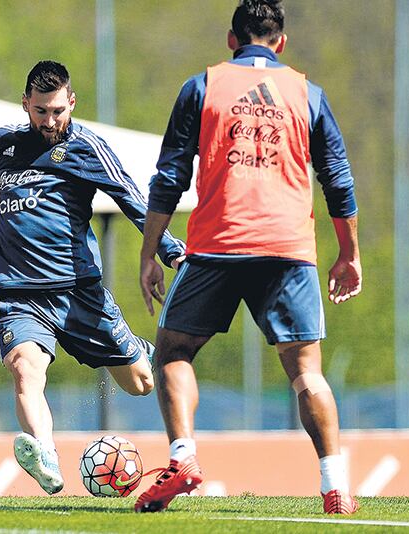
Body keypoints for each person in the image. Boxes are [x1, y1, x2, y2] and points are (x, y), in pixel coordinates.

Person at [0, 60, 185, 494]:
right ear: (25, 104)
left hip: (78, 293)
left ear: (72, 102)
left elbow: (132, 198)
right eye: (40, 111)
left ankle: (140, 350)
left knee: (141, 384)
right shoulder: (3, 144)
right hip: (19, 295)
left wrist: (170, 249)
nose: (49, 121)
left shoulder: (87, 147)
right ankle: (45, 454)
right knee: (25, 369)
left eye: (57, 111)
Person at [135, 0, 362, 514]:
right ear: (281, 42)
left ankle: (183, 458)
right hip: (288, 249)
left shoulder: (202, 86)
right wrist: (349, 254)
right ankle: (336, 486)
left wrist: (150, 251)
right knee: (306, 372)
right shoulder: (308, 93)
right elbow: (338, 180)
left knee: (173, 352)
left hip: (218, 244)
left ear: (231, 40)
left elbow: (169, 178)